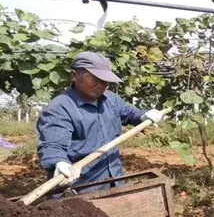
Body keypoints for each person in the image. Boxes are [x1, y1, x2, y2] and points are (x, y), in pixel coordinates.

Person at [36, 51, 164, 194]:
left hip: (113, 180)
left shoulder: (111, 99)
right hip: (79, 188)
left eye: (105, 80)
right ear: (74, 76)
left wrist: (144, 115)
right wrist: (59, 162)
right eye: (95, 79)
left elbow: (129, 113)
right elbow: (53, 145)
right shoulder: (59, 108)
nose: (101, 85)